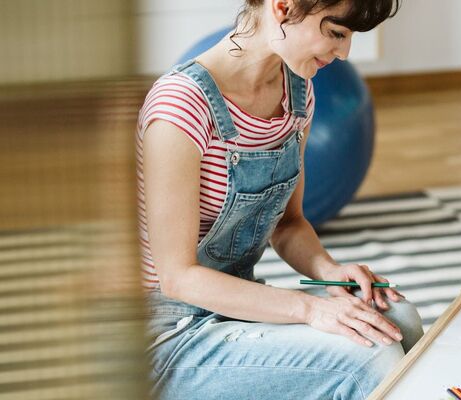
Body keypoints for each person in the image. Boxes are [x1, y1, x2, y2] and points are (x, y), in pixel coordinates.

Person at [136, 1, 423, 398]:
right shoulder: (180, 107)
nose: (344, 53)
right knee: (369, 358)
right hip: (168, 336)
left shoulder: (298, 93)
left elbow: (288, 224)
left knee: (400, 320)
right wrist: (310, 309)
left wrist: (328, 270)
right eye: (336, 33)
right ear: (284, 7)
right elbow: (178, 277)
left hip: (236, 307)